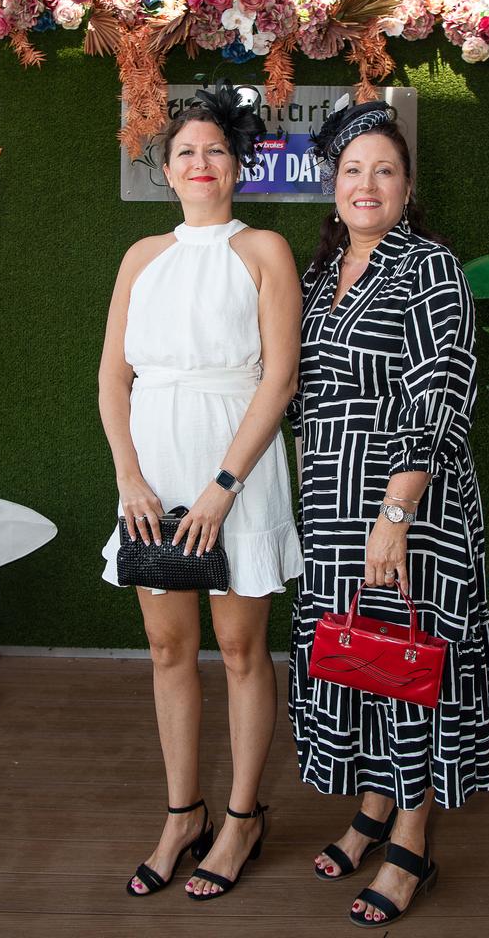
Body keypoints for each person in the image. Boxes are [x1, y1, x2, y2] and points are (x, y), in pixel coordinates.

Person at [288, 100, 489, 928]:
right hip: (332, 506)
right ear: (333, 188)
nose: (366, 184)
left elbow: (440, 390)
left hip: (410, 504)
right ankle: (374, 806)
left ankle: (412, 839)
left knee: (416, 665)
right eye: (351, 170)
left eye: (384, 170)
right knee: (363, 658)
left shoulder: (429, 268)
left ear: (408, 188)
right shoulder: (319, 276)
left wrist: (395, 514)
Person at [99, 80, 303, 902]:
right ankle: (184, 814)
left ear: (238, 163)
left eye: (215, 149)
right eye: (185, 151)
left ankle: (244, 817)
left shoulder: (264, 251)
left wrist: (224, 486)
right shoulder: (141, 257)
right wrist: (128, 477)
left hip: (237, 477)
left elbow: (279, 378)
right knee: (167, 648)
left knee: (243, 650)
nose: (200, 162)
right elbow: (113, 378)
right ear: (168, 168)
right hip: (151, 479)